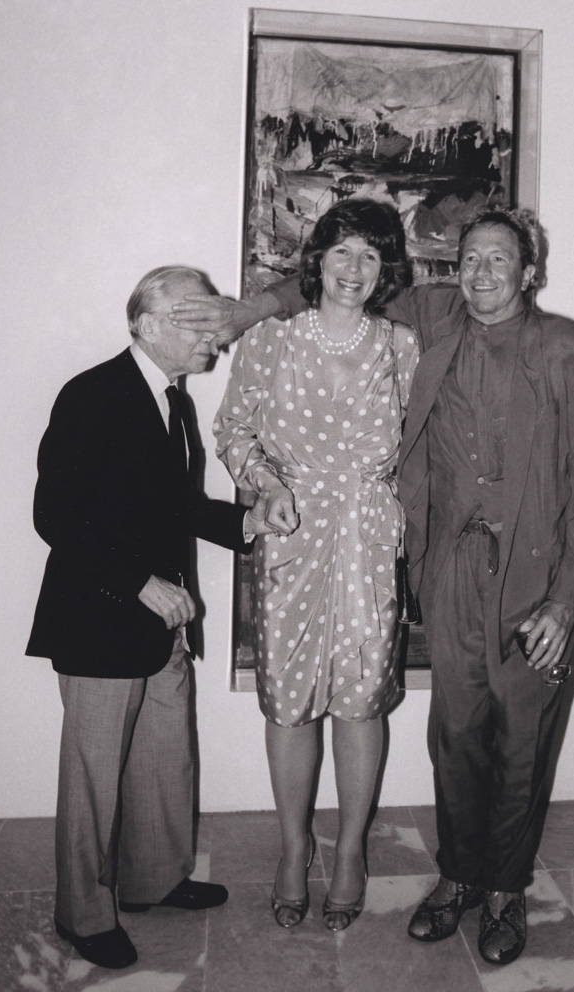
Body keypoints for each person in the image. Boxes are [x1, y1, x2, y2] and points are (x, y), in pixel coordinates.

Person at [172, 205, 574, 967]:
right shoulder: (431, 321)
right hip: (432, 566)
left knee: (516, 739)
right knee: (455, 736)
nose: (480, 273)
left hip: (514, 573)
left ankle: (499, 890)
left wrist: (569, 599)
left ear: (529, 271)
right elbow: (311, 297)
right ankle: (454, 876)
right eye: (468, 258)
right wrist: (246, 309)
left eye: (498, 259)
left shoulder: (558, 350)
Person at [26, 265, 276, 970]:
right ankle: (82, 912)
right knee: (94, 776)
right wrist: (139, 583)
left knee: (166, 756)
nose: (215, 337)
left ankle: (153, 879)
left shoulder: (173, 401)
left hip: (162, 619)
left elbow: (174, 507)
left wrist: (250, 521)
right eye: (199, 322)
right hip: (102, 614)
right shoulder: (94, 394)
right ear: (148, 323)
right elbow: (56, 516)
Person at [212, 199, 419, 932]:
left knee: (360, 698)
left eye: (370, 255)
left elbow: (418, 445)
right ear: (317, 261)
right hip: (291, 536)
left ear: (385, 266)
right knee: (290, 697)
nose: (354, 270)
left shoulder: (400, 345)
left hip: (365, 535)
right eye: (341, 253)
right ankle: (293, 848)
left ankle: (352, 851)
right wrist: (265, 485)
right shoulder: (270, 339)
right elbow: (232, 431)